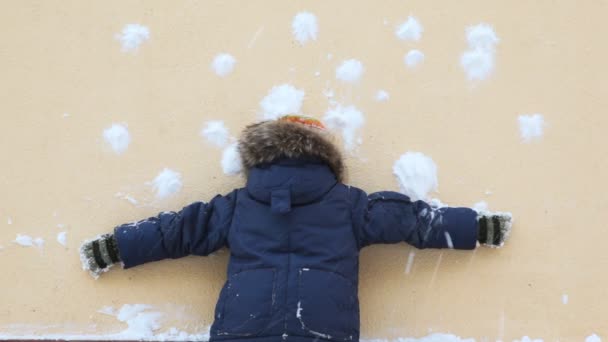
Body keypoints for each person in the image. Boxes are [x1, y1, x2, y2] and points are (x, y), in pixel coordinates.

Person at [81, 115, 512, 342]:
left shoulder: (236, 207)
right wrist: (477, 227)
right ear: (324, 157)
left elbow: (174, 230)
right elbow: (414, 221)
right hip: (322, 328)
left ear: (260, 157)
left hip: (242, 329)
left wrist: (115, 246)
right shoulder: (349, 206)